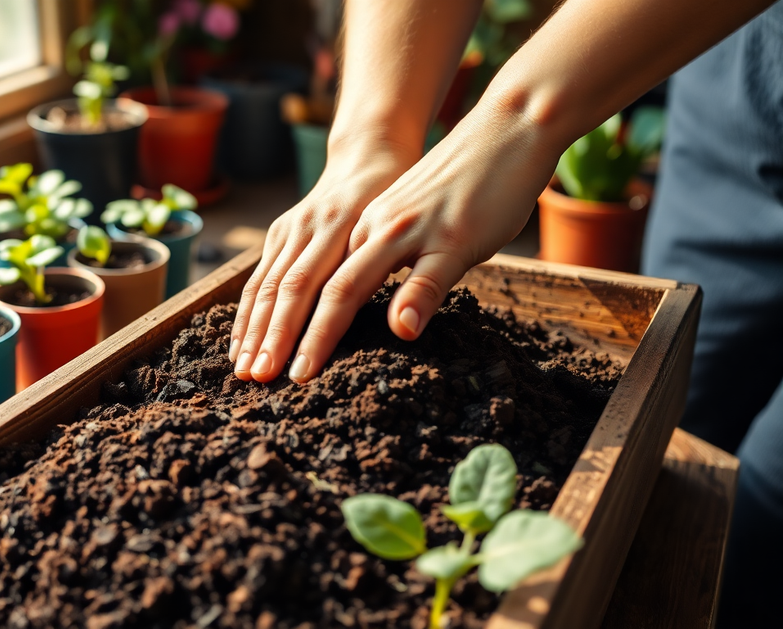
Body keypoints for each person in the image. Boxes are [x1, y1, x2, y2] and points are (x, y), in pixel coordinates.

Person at [227, 1, 782, 625]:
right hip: (738, 68)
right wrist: (371, 136)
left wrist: (519, 117)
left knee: (764, 535)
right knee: (684, 439)